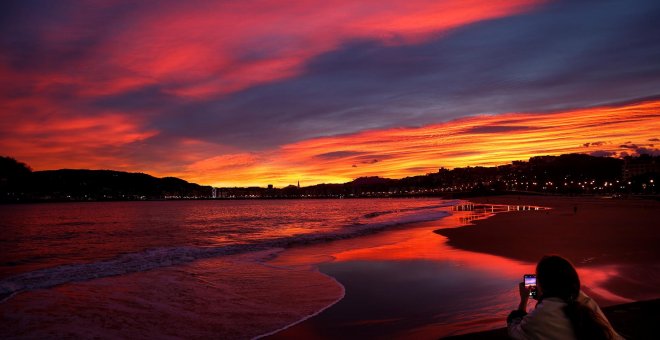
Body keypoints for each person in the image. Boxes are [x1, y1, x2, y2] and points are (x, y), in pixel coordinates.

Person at [507, 255, 624, 339]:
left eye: (538, 279)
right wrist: (544, 298)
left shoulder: (541, 316)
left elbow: (515, 330)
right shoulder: (585, 301)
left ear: (542, 284)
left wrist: (524, 300)